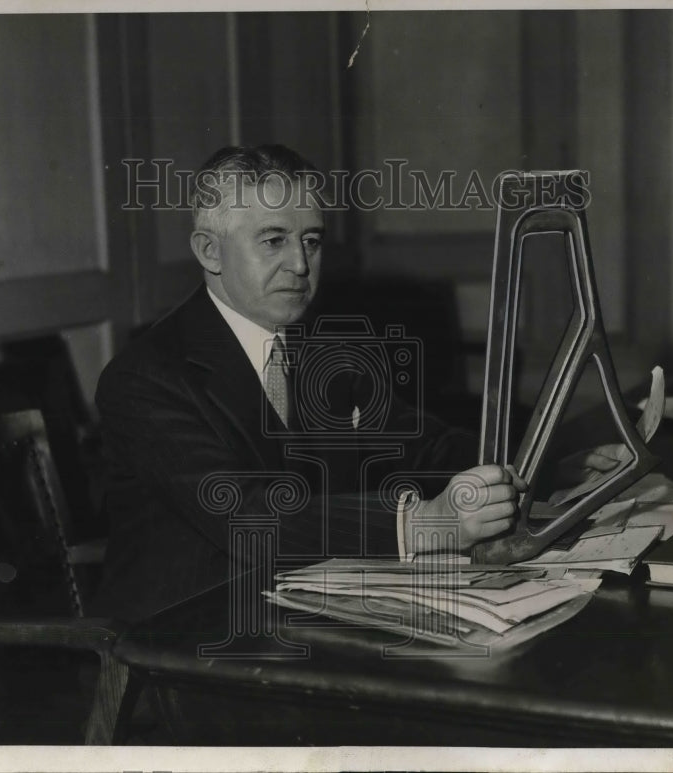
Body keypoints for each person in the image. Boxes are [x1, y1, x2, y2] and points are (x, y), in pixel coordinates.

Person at [93, 145, 527, 622]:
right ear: (209, 251)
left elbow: (426, 445)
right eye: (273, 240)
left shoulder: (327, 351)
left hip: (305, 613)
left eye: (312, 242)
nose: (300, 265)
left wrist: (538, 460)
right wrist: (425, 526)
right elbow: (249, 519)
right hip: (185, 639)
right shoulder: (145, 378)